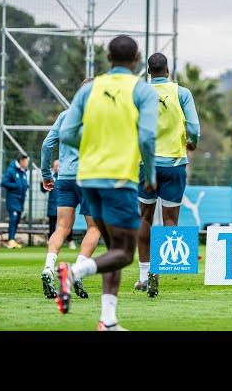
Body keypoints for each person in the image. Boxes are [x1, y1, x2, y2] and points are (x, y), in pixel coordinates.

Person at [58, 35, 158, 331]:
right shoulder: (142, 90)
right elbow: (148, 138)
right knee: (125, 253)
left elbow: (66, 133)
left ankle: (108, 320)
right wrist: (150, 174)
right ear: (137, 58)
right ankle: (73, 273)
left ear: (108, 58)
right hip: (118, 179)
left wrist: (90, 146)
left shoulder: (90, 89)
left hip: (87, 178)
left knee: (112, 248)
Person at [135, 52, 200, 298]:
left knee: (145, 218)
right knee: (170, 219)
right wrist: (192, 141)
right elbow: (193, 126)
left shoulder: (139, 93)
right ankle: (158, 271)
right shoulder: (181, 93)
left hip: (146, 163)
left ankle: (143, 275)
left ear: (148, 71)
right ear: (168, 69)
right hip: (174, 163)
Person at [40, 79, 103, 301]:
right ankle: (75, 272)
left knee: (62, 227)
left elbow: (47, 144)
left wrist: (47, 174)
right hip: (89, 179)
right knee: (94, 228)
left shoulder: (65, 115)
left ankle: (48, 267)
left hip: (65, 177)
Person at [39, 159, 76, 249]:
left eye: (58, 166)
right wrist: (41, 183)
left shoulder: (65, 177)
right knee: (52, 225)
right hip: (53, 206)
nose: (56, 167)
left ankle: (70, 241)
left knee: (67, 224)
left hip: (65, 204)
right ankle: (51, 242)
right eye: (55, 166)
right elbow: (44, 190)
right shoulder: (50, 177)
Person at [0, 153, 29, 249]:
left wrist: (25, 186)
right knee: (13, 219)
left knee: (17, 220)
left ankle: (12, 240)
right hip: (12, 200)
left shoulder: (23, 171)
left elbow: (23, 183)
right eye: (26, 161)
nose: (27, 163)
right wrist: (16, 186)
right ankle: (11, 240)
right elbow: (3, 182)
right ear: (21, 161)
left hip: (21, 200)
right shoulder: (11, 170)